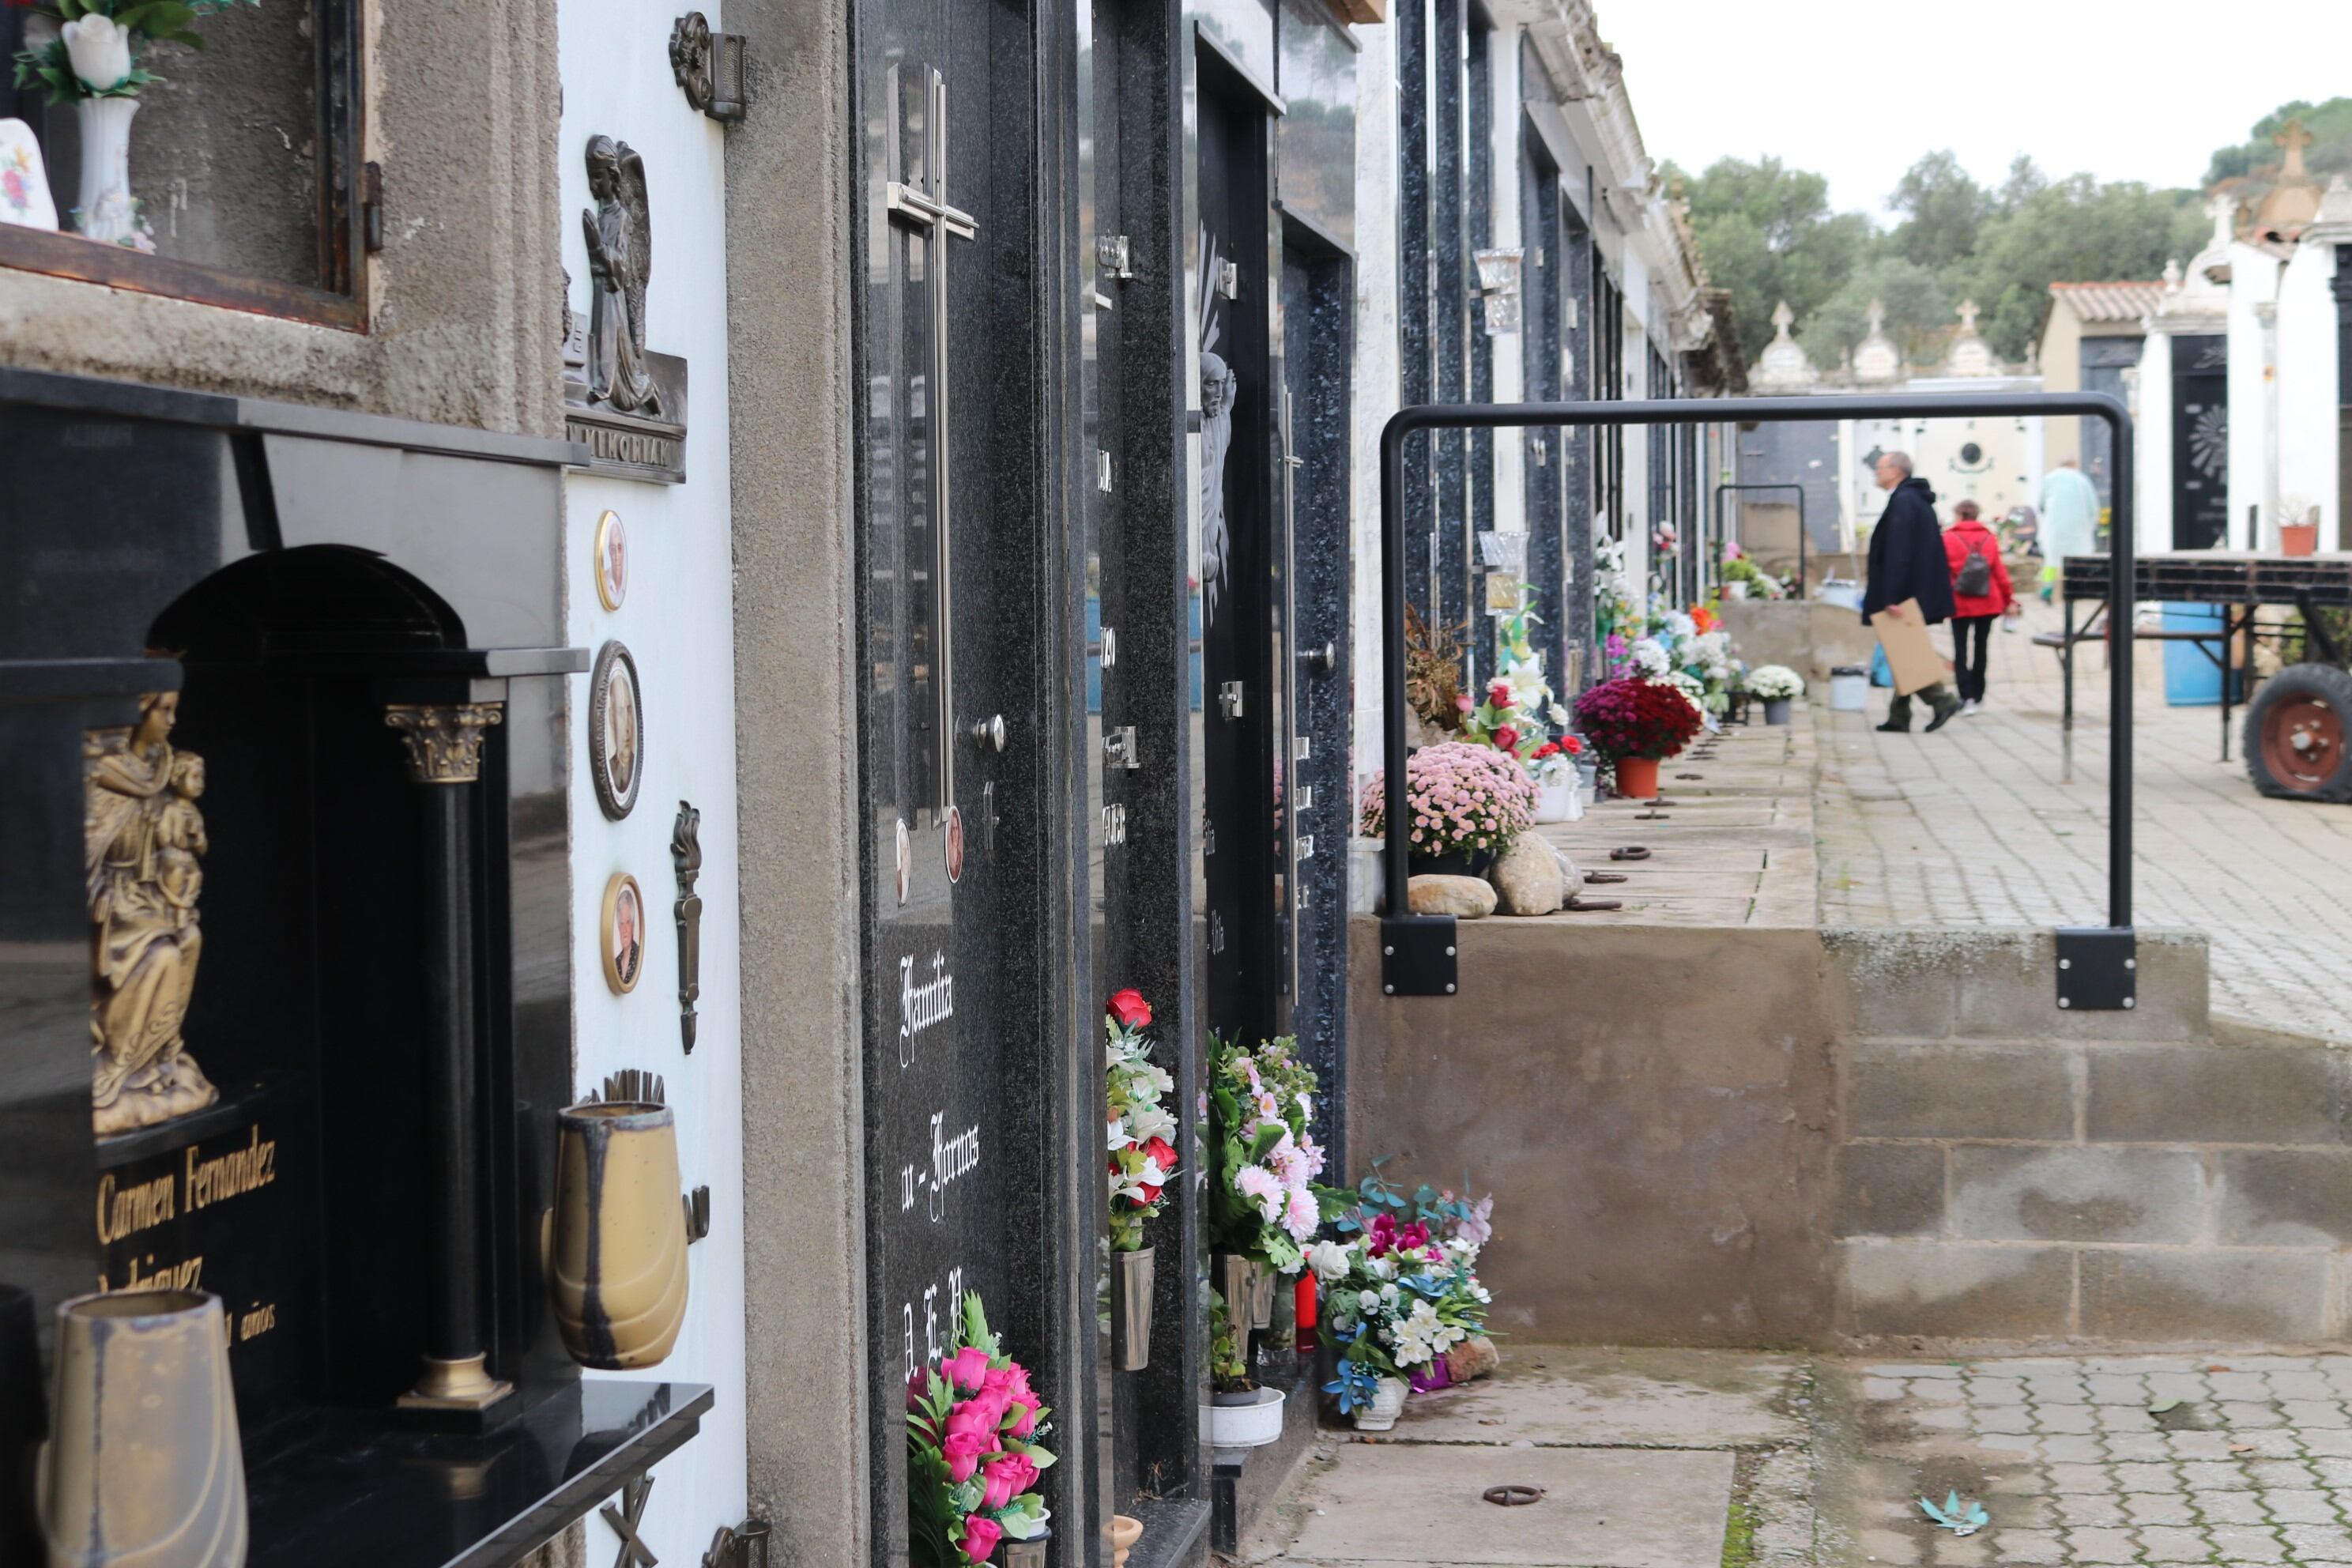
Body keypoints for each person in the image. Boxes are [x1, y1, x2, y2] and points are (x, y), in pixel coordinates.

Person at [1861, 451, 1962, 733]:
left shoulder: (1904, 501)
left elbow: (1899, 553)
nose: (1876, 474)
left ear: (1895, 471)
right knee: (1901, 649)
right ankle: (1899, 714)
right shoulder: (1912, 499)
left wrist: (1892, 597)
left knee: (1905, 651)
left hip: (1902, 594)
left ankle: (1941, 701)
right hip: (1913, 590)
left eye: (1880, 468)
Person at [1942, 500, 2017, 714]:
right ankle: (1979, 694)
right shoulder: (1989, 537)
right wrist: (2009, 598)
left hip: (1959, 600)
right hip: (1988, 600)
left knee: (1960, 649)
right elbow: (1999, 572)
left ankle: (1964, 697)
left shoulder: (1948, 538)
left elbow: (1942, 571)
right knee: (1981, 648)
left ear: (1958, 515)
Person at [2036, 458, 2101, 604]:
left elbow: (2041, 505)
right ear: (2074, 466)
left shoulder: (2049, 479)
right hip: (2078, 531)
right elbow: (2092, 508)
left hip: (2053, 530)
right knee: (2079, 560)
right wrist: (2091, 526)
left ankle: (2047, 590)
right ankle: (2079, 589)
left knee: (2051, 562)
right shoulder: (2082, 480)